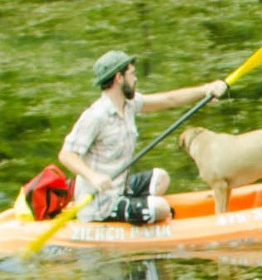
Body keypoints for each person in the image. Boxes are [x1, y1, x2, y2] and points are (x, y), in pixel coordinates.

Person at [58, 50, 228, 224]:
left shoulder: (129, 104)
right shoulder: (95, 116)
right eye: (132, 74)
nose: (135, 79)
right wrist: (93, 176)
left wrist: (204, 90)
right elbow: (66, 155)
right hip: (101, 204)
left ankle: (134, 206)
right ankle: (140, 213)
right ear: (119, 78)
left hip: (119, 187)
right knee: (161, 207)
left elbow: (169, 99)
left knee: (161, 178)